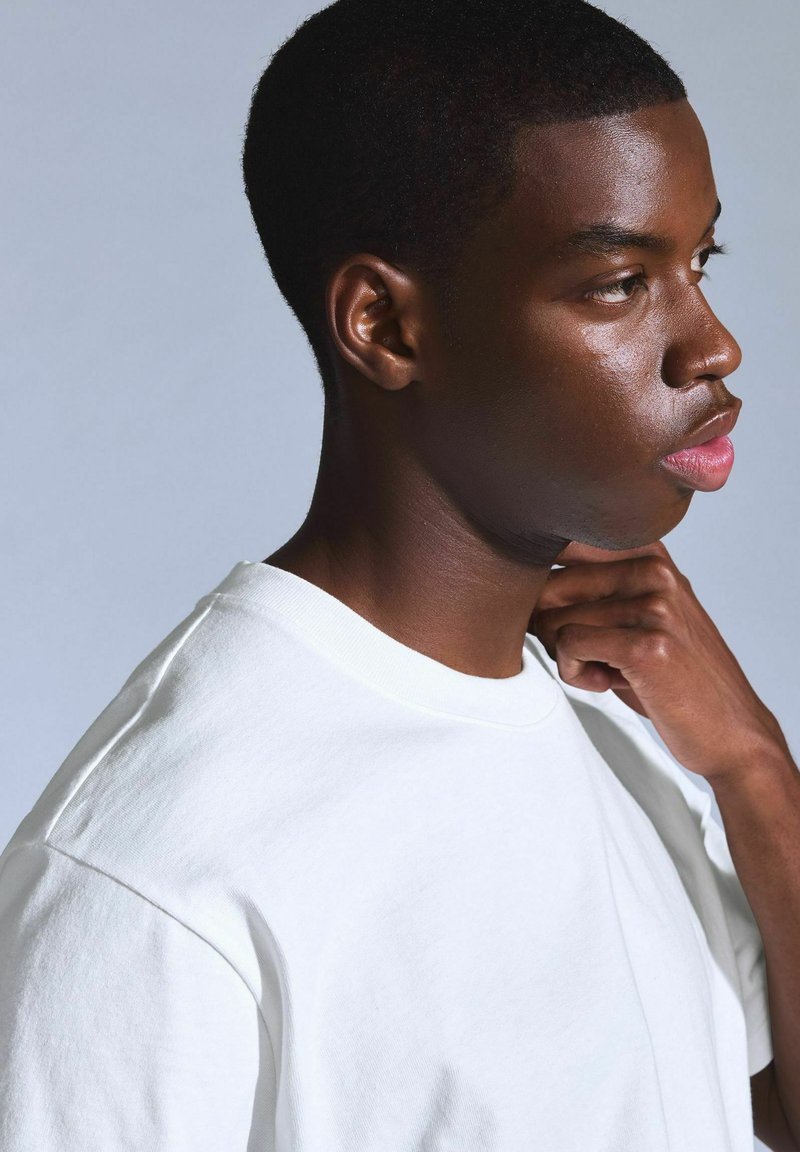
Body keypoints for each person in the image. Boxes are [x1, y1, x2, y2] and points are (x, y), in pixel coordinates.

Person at [1, 1, 793, 1149]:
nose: (710, 344)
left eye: (698, 260)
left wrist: (754, 766)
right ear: (382, 325)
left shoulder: (629, 734)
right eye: (618, 283)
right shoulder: (156, 873)